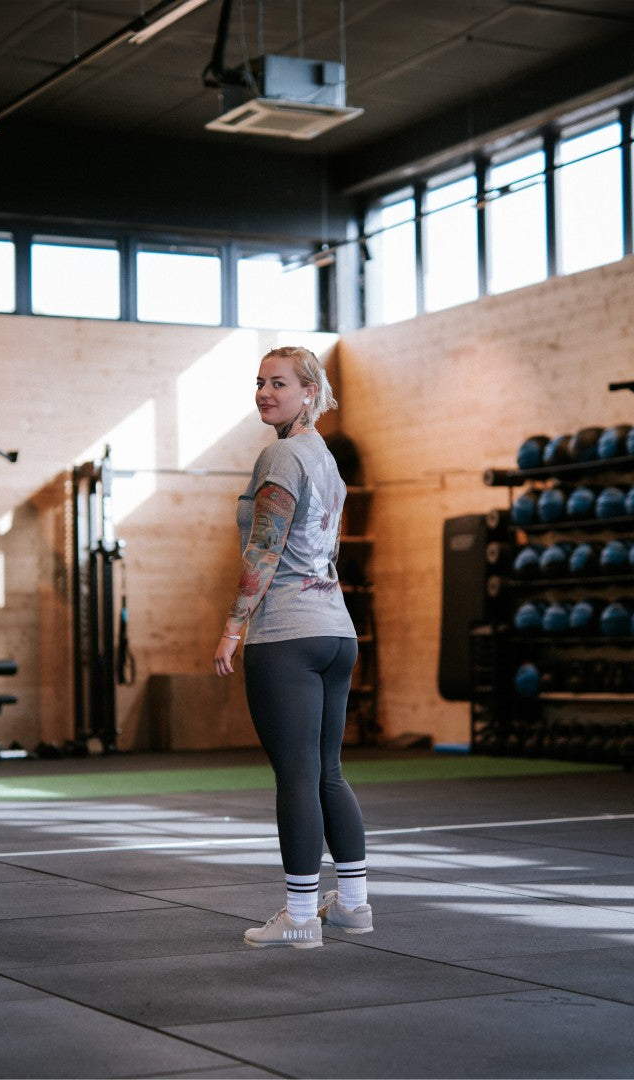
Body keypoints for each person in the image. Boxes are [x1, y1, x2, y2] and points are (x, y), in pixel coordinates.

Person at [213, 345, 371, 949]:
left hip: (287, 634)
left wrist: (234, 625)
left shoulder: (280, 453)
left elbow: (265, 549)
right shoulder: (323, 457)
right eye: (259, 382)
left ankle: (301, 917)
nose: (263, 392)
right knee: (327, 771)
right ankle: (352, 904)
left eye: (278, 383)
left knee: (297, 778)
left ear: (310, 391)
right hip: (336, 632)